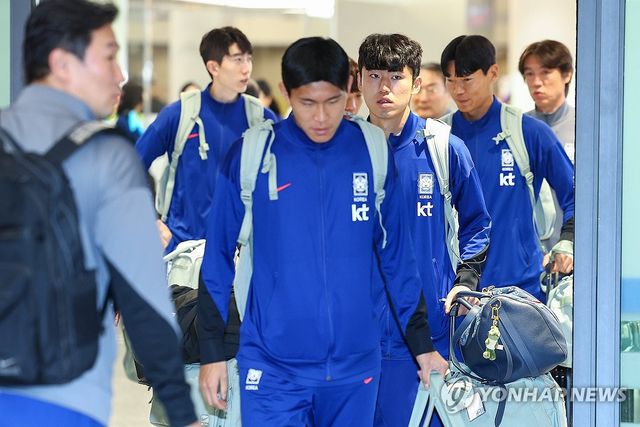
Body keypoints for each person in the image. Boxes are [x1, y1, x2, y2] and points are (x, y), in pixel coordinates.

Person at [197, 36, 448, 426]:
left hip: (354, 370)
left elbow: (398, 259)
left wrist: (422, 345)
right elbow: (216, 259)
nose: (321, 117)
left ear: (348, 90)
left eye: (332, 101)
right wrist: (212, 352)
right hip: (272, 367)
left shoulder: (371, 151)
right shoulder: (252, 154)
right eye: (307, 103)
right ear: (286, 92)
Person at [0, 1, 197, 426]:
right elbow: (144, 302)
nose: (120, 74)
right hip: (64, 401)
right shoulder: (108, 156)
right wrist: (182, 413)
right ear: (62, 64)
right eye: (108, 56)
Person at [358, 33, 491, 427]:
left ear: (415, 83)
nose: (384, 88)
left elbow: (477, 222)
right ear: (359, 79)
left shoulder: (443, 147)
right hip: (354, 339)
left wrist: (465, 281)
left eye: (396, 77)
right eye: (374, 75)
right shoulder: (341, 150)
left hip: (428, 338)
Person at [440, 35, 575, 303]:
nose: (458, 90)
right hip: (457, 292)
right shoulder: (439, 138)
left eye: (466, 80)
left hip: (523, 289)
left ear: (492, 73)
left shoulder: (528, 132)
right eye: (451, 81)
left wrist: (568, 241)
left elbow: (574, 195)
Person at [135, 26, 277, 252]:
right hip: (184, 251)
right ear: (213, 67)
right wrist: (148, 218)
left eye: (249, 59)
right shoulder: (180, 114)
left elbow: (285, 178)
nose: (246, 68)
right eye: (237, 60)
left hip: (241, 253)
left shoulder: (261, 119)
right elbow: (132, 164)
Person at [519, 40, 575, 163]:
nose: (536, 82)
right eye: (530, 74)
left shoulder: (583, 126)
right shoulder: (517, 127)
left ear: (567, 75)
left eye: (545, 72)